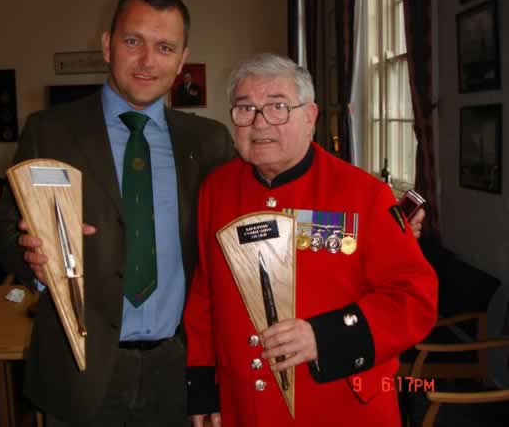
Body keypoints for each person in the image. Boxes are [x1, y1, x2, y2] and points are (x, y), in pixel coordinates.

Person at [0, 0, 234, 427]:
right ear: (107, 44)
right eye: (132, 41)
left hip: (177, 370)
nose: (147, 60)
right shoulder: (50, 131)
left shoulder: (209, 142)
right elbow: (6, 228)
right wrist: (33, 259)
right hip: (79, 369)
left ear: (181, 61)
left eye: (164, 47)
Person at [183, 53, 438, 427]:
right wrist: (203, 386)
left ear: (310, 117)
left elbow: (413, 299)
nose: (260, 123)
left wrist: (326, 336)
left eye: (278, 107)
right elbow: (205, 295)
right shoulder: (216, 191)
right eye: (245, 109)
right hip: (243, 407)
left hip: (339, 407)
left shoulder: (366, 195)